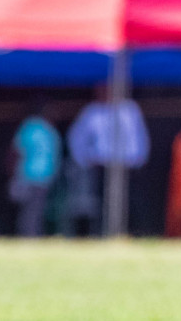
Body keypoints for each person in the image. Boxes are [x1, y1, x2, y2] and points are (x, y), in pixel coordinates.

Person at [63, 83, 150, 237]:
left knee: (132, 202)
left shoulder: (129, 109)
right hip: (103, 164)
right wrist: (85, 159)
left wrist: (140, 158)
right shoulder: (92, 111)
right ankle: (105, 234)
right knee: (103, 203)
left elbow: (139, 136)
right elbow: (76, 138)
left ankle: (133, 233)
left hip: (128, 165)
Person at [9, 101, 61, 237]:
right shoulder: (48, 129)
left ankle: (29, 235)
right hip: (43, 175)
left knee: (30, 210)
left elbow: (16, 151)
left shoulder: (29, 127)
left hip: (29, 173)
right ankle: (30, 236)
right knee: (35, 210)